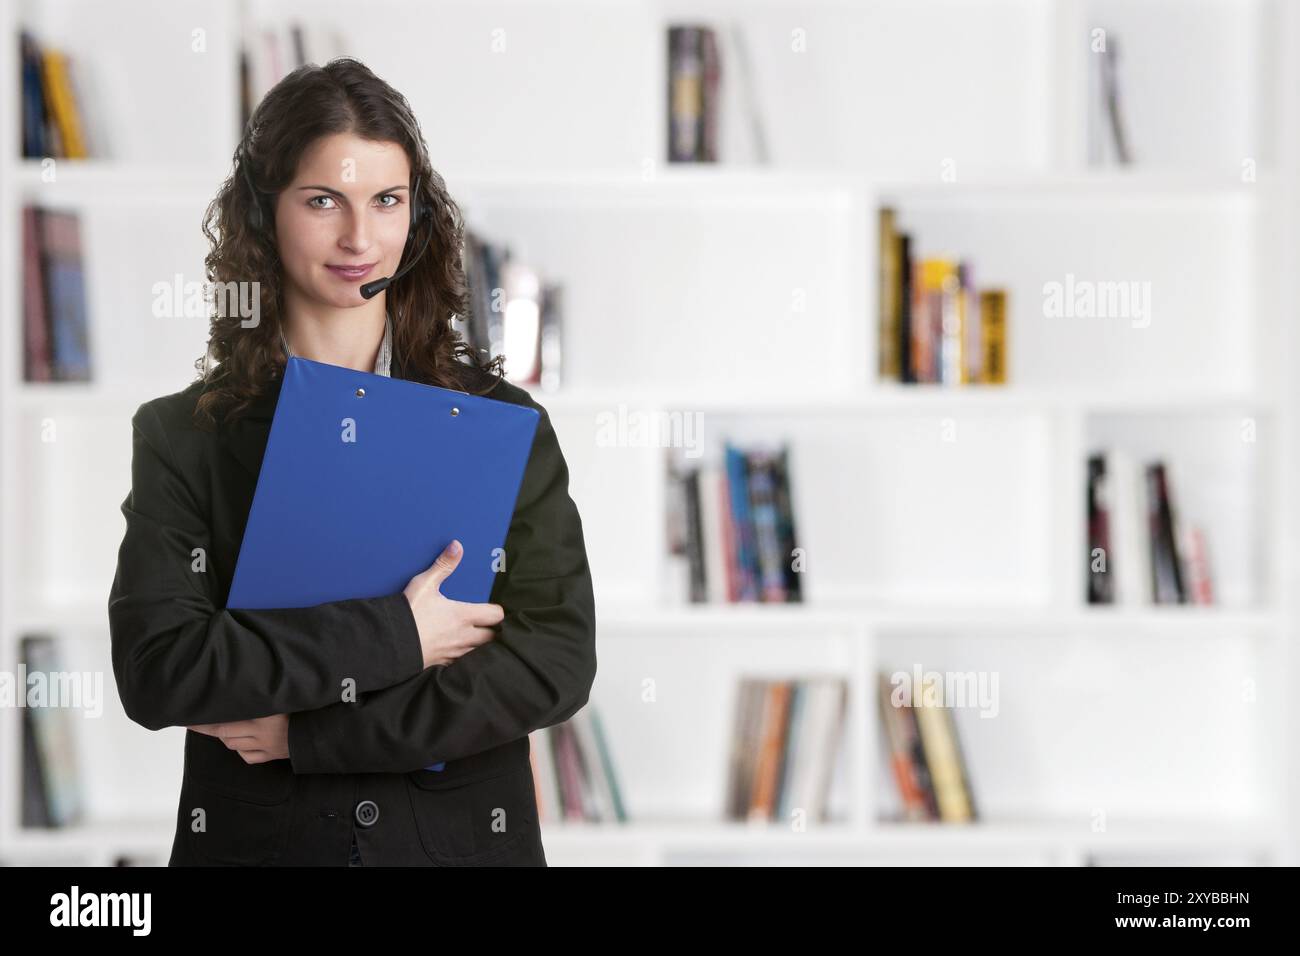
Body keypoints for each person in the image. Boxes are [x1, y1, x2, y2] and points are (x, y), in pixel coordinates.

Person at [107, 58, 596, 866]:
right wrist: (402, 634)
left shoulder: (501, 425)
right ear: (264, 216)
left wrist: (315, 734)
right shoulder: (182, 437)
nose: (359, 239)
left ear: (417, 218)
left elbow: (553, 661)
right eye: (323, 200)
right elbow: (162, 670)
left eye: (387, 201)